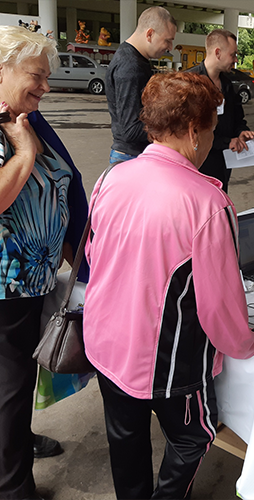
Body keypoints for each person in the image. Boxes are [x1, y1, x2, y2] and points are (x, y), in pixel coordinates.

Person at [83, 72, 254, 500]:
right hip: (166, 361)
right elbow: (219, 307)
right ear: (192, 131)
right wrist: (245, 342)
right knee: (193, 437)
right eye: (211, 130)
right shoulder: (207, 203)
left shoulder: (110, 178)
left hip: (105, 344)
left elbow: (95, 256)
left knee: (125, 438)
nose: (211, 142)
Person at [0, 26, 89, 499]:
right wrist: (26, 151)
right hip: (7, 286)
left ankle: (15, 442)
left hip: (29, 283)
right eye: (36, 75)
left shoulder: (22, 116)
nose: (46, 86)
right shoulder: (12, 129)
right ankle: (12, 487)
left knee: (13, 385)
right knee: (10, 386)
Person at [185, 29, 254, 192]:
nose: (236, 60)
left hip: (224, 163)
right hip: (199, 166)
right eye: (233, 55)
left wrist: (242, 132)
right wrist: (226, 142)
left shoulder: (227, 85)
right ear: (217, 53)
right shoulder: (189, 83)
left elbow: (238, 118)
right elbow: (189, 132)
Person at [106, 6, 177, 165]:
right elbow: (130, 130)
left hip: (131, 156)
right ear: (150, 34)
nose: (170, 47)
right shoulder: (130, 67)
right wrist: (170, 124)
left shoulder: (134, 59)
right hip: (131, 157)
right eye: (167, 40)